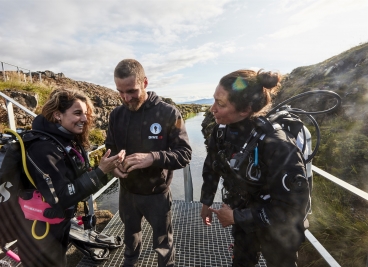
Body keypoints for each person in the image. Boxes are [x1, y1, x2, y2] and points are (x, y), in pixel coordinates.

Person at [200, 69, 310, 267]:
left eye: (221, 104)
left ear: (245, 110)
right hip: (243, 222)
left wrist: (235, 216)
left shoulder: (278, 146)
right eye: (214, 100)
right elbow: (212, 166)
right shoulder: (220, 132)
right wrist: (206, 201)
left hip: (279, 233)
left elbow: (291, 210)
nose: (212, 109)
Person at [17, 88, 125, 267]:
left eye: (85, 113)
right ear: (58, 115)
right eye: (77, 113)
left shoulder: (66, 141)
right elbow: (61, 196)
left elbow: (79, 182)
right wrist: (100, 171)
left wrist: (106, 171)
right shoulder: (43, 149)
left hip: (58, 223)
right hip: (39, 232)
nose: (84, 118)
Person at [105, 59, 192, 267]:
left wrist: (153, 157)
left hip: (157, 194)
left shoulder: (169, 113)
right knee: (130, 237)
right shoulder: (116, 115)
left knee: (163, 242)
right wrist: (113, 167)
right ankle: (129, 262)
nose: (126, 98)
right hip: (127, 192)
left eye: (132, 91)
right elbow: (110, 148)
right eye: (120, 91)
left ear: (144, 82)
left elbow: (185, 154)